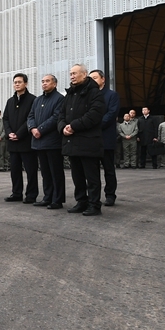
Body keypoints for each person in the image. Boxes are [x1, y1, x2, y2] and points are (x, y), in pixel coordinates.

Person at [58, 64, 106, 217]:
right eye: (70, 73)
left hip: (88, 141)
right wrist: (63, 127)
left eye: (75, 73)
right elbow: (61, 114)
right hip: (72, 141)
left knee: (91, 176)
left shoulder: (94, 93)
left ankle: (94, 204)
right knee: (77, 175)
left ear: (84, 75)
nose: (72, 76)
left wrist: (73, 126)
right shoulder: (70, 95)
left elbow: (94, 115)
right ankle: (81, 201)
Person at [27, 74, 66, 209]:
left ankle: (57, 199)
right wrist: (32, 128)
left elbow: (56, 117)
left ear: (54, 84)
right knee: (45, 172)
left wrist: (40, 130)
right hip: (39, 142)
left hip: (52, 142)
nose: (44, 83)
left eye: (47, 81)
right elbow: (30, 116)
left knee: (55, 172)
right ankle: (47, 197)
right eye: (42, 81)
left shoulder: (60, 99)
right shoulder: (37, 100)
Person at [2, 73, 38, 203]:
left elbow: (31, 118)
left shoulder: (33, 100)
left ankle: (31, 194)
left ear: (26, 83)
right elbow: (5, 119)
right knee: (15, 170)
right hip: (12, 141)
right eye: (15, 82)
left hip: (26, 141)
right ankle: (16, 193)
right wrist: (9, 132)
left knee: (30, 170)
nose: (16, 84)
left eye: (19, 82)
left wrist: (19, 134)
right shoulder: (10, 101)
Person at [89, 69, 120, 206]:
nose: (93, 80)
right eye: (90, 78)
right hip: (90, 139)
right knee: (92, 171)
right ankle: (93, 197)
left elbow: (111, 114)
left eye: (95, 78)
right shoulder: (88, 96)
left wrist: (95, 125)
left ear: (103, 79)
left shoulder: (111, 95)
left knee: (108, 169)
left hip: (105, 137)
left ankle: (110, 195)